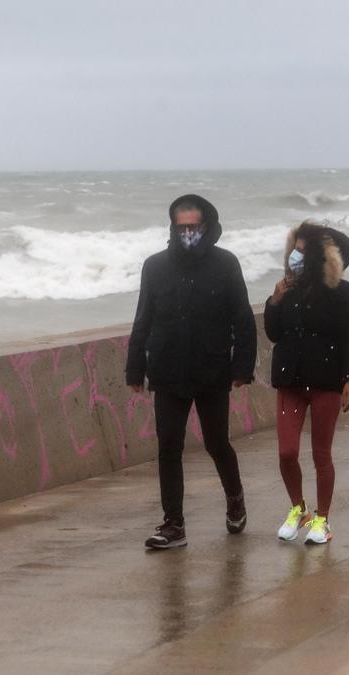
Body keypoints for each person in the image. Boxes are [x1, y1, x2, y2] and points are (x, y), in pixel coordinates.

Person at [126, 195, 257, 549]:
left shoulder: (225, 264)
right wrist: (135, 367)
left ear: (207, 226)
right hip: (167, 371)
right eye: (180, 227)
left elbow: (242, 319)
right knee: (169, 447)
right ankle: (174, 525)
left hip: (212, 369)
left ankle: (235, 498)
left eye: (193, 227)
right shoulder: (155, 266)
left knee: (217, 443)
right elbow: (144, 317)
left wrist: (243, 366)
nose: (187, 233)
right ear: (172, 227)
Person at [264, 219, 349, 545]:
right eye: (295, 249)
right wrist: (274, 302)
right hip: (290, 381)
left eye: (302, 251)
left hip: (325, 382)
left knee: (322, 454)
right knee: (287, 452)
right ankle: (299, 509)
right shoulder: (286, 289)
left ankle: (322, 520)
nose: (295, 256)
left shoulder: (342, 293)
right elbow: (274, 333)